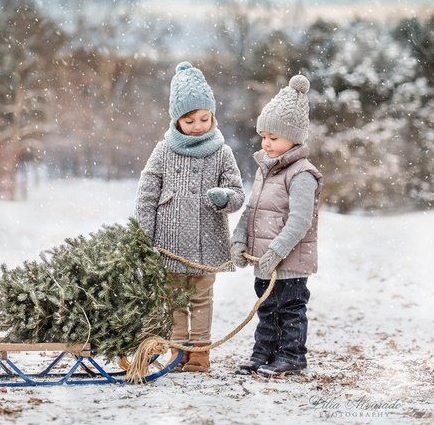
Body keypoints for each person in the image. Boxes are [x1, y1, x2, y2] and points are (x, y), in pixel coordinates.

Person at [135, 61, 245, 373]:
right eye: (188, 120)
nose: (197, 125)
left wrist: (225, 198)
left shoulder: (221, 152)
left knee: (201, 297)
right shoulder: (163, 151)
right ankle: (178, 350)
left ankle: (200, 352)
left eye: (203, 118)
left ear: (212, 116)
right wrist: (145, 235)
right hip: (169, 243)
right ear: (176, 120)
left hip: (205, 243)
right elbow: (146, 195)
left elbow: (237, 192)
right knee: (173, 299)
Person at [231, 74, 323, 377]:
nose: (267, 143)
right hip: (264, 262)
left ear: (294, 138)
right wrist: (239, 239)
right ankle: (263, 354)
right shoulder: (265, 170)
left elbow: (300, 220)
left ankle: (291, 357)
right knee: (267, 309)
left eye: (274, 138)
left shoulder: (302, 174)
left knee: (290, 311)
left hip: (289, 262)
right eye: (264, 137)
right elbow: (253, 210)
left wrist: (276, 251)